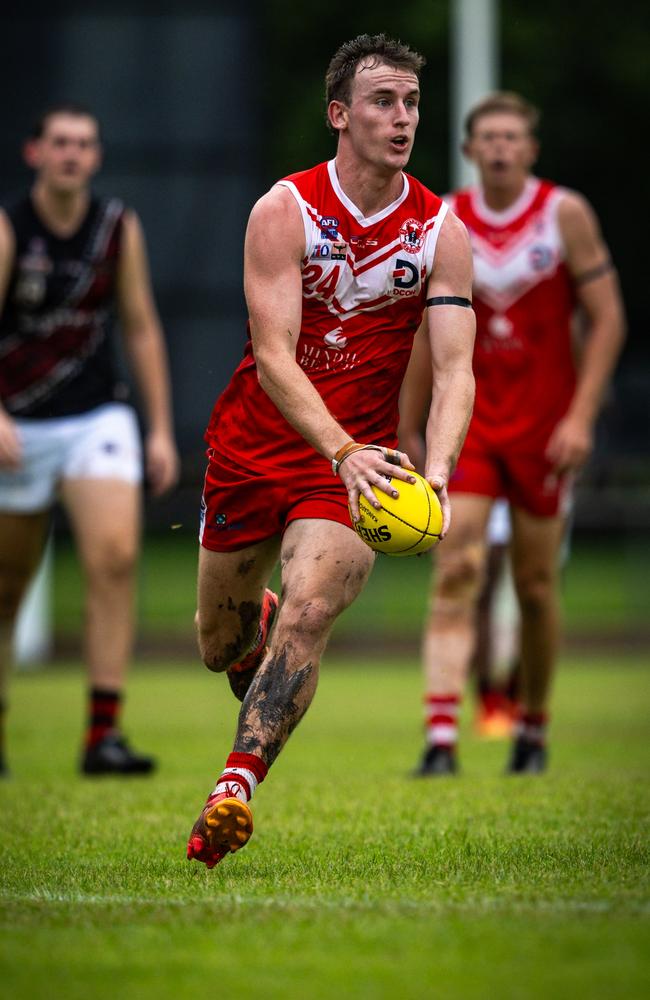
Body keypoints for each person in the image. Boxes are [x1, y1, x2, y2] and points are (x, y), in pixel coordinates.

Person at [185, 33, 476, 869]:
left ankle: (232, 791)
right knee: (218, 645)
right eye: (383, 102)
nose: (402, 118)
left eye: (413, 103)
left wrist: (439, 473)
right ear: (338, 115)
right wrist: (340, 445)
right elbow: (274, 357)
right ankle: (257, 623)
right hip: (255, 446)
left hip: (361, 464)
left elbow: (456, 368)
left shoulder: (438, 230)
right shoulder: (285, 211)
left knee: (312, 613)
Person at [400, 91, 626, 776]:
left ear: (530, 149)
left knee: (533, 586)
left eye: (511, 137)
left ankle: (532, 729)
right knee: (456, 567)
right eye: (487, 137)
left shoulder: (565, 215)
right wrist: (409, 424)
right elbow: (418, 332)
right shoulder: (443, 219)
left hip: (544, 432)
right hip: (470, 428)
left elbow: (608, 320)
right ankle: (441, 738)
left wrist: (582, 418)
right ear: (470, 150)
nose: (499, 148)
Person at [0, 103, 179, 776]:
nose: (72, 154)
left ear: (96, 157)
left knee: (114, 558)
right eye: (60, 143)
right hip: (18, 423)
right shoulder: (10, 227)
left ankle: (102, 734)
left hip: (96, 416)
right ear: (36, 153)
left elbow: (140, 327)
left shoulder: (116, 226)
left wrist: (158, 430)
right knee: (8, 584)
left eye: (83, 144)